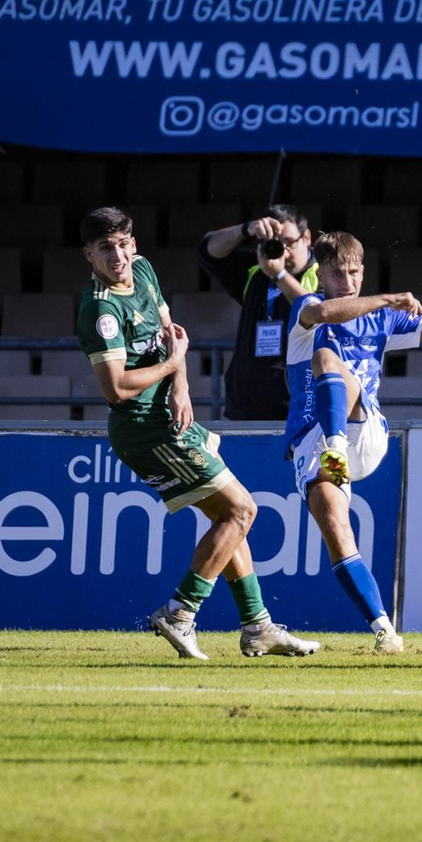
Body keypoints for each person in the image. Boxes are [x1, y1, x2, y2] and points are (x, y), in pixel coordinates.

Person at [76, 207, 319, 661]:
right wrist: (171, 367)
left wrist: (181, 387)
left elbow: (171, 333)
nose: (118, 255)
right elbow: (116, 389)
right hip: (143, 428)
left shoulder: (144, 271)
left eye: (123, 244)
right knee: (243, 510)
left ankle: (257, 625)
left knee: (230, 518)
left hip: (169, 417)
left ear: (134, 244)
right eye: (105, 248)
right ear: (88, 254)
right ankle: (181, 612)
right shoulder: (100, 309)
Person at [284, 232, 422, 653]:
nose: (348, 281)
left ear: (363, 271)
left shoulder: (381, 321)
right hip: (316, 447)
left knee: (327, 361)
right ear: (321, 274)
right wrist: (387, 298)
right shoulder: (307, 308)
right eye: (338, 273)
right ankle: (384, 628)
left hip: (361, 436)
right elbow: (325, 310)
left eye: (354, 272)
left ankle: (336, 442)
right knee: (336, 529)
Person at [198, 206, 317, 420]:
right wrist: (245, 229)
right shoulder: (259, 268)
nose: (283, 252)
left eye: (289, 242)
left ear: (306, 237)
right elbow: (207, 251)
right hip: (243, 411)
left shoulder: (324, 272)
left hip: (296, 415)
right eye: (276, 244)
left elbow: (314, 311)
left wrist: (279, 275)